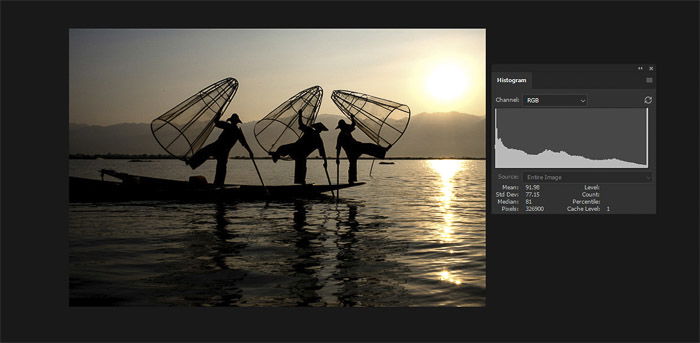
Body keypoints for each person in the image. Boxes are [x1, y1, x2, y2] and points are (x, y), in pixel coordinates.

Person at [187, 112, 253, 186]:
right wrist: (250, 152)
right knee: (220, 167)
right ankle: (218, 184)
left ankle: (191, 162)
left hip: (219, 148)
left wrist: (218, 115)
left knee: (207, 154)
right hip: (222, 150)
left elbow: (217, 122)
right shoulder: (236, 131)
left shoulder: (231, 128)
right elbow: (244, 144)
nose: (232, 122)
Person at [269, 109, 328, 185]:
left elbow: (323, 152)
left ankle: (301, 183)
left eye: (319, 129)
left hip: (301, 154)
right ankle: (276, 154)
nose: (318, 130)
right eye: (318, 129)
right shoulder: (310, 131)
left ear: (320, 130)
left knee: (302, 167)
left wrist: (325, 162)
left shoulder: (318, 140)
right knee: (282, 148)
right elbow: (301, 124)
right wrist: (300, 115)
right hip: (296, 149)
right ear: (316, 128)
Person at [335, 114, 390, 184]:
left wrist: (352, 118)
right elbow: (338, 148)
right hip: (351, 151)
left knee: (369, 146)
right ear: (342, 127)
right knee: (352, 164)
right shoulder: (340, 136)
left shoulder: (347, 131)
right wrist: (337, 158)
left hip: (356, 147)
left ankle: (383, 150)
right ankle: (351, 180)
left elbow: (353, 124)